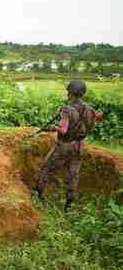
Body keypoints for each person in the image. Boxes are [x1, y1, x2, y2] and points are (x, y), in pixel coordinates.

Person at [33, 80, 103, 211]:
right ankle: (69, 205)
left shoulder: (67, 109)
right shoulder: (89, 109)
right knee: (73, 175)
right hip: (80, 145)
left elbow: (63, 130)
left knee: (47, 167)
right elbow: (91, 126)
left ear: (69, 93)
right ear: (82, 93)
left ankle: (38, 194)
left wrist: (52, 127)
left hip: (65, 145)